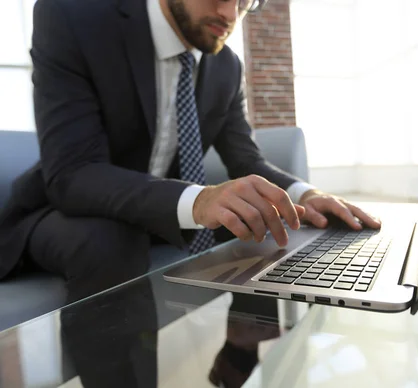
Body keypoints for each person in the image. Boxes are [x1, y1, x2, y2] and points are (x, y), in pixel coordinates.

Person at [0, 0, 381, 301]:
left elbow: (246, 159)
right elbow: (74, 172)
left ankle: (246, 355)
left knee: (264, 218)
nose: (230, 13)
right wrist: (199, 201)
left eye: (247, 0)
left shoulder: (226, 67)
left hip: (156, 215)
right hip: (64, 210)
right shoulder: (72, 16)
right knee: (110, 240)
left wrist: (307, 194)